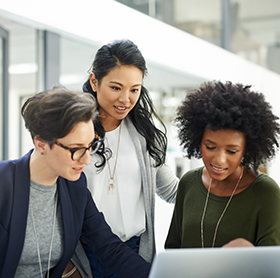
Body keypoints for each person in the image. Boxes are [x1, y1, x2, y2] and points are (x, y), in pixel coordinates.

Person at [0, 86, 151, 278]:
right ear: (41, 144)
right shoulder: (4, 185)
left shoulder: (74, 187)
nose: (86, 160)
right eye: (76, 149)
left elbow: (108, 248)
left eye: (90, 146)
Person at [76, 39, 178, 277]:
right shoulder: (73, 132)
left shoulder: (144, 135)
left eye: (134, 89)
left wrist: (225, 184)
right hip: (84, 256)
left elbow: (172, 190)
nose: (126, 99)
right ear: (94, 81)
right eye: (116, 88)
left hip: (134, 253)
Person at [165, 80, 280, 249]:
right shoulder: (188, 182)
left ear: (246, 150)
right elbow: (172, 248)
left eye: (232, 151)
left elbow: (270, 265)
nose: (219, 160)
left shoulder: (265, 192)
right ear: (198, 140)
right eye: (210, 147)